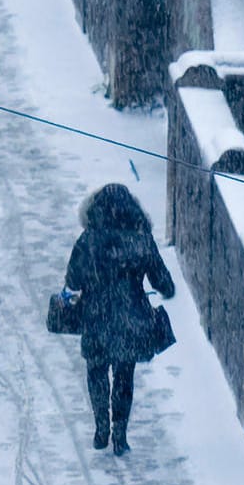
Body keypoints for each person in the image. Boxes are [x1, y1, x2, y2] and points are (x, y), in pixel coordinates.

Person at [64, 183, 174, 456]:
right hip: (132, 319)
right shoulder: (141, 238)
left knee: (97, 371)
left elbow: (73, 279)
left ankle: (101, 425)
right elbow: (163, 281)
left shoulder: (89, 239)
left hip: (96, 317)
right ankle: (120, 433)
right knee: (125, 375)